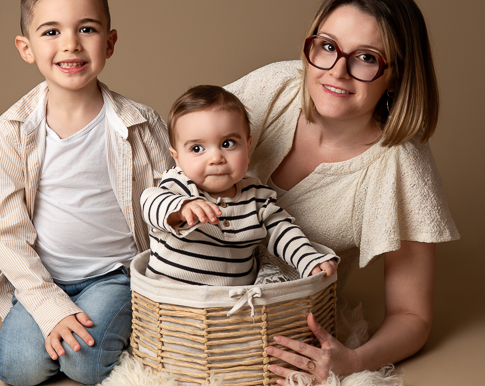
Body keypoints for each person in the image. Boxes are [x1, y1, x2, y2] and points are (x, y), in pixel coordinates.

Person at [223, 0, 460, 385]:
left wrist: (354, 360)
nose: (337, 71)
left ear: (397, 75)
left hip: (277, 325)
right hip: (190, 295)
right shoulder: (276, 85)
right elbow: (180, 154)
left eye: (366, 57)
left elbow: (412, 315)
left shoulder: (399, 166)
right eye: (328, 46)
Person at [0, 0, 173, 386]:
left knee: (84, 366)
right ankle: (63, 320)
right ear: (25, 47)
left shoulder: (140, 123)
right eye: (51, 32)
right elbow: (2, 231)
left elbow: (172, 198)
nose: (70, 44)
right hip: (44, 276)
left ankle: (123, 323)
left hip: (114, 274)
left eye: (86, 29)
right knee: (19, 368)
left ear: (110, 41)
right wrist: (49, 305)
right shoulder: (12, 130)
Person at [141, 85, 338, 286]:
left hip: (235, 306)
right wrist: (181, 208)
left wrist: (308, 259)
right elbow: (150, 202)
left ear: (247, 146)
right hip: (174, 303)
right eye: (197, 148)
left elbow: (282, 231)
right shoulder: (179, 186)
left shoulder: (257, 196)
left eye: (228, 144)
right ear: (177, 157)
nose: (216, 158)